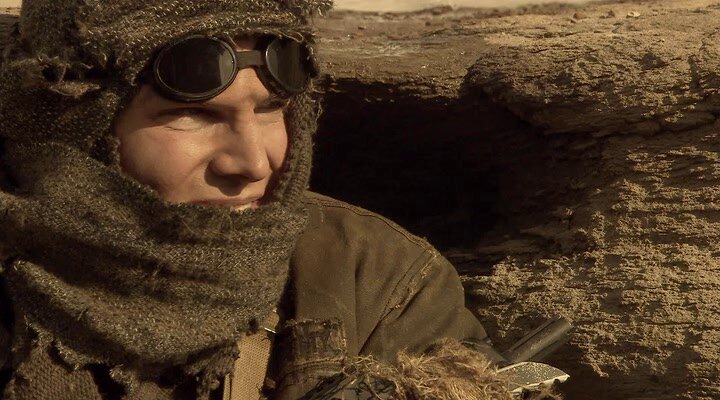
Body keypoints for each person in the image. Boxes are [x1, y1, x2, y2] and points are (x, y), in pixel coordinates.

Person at [0, 1, 555, 399]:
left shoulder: (376, 277)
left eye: (270, 110)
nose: (254, 162)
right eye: (193, 115)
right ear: (75, 124)